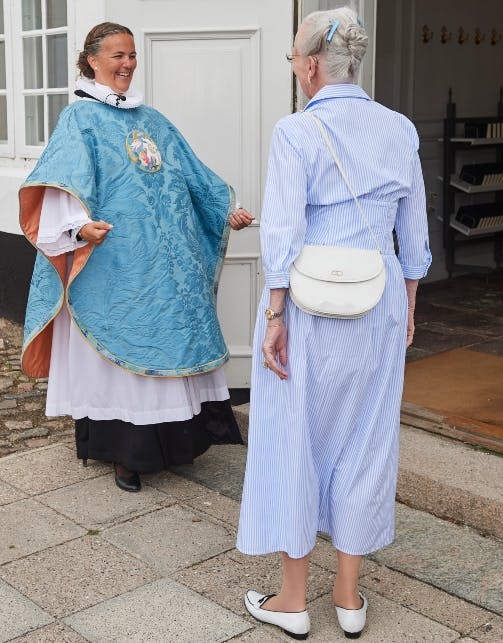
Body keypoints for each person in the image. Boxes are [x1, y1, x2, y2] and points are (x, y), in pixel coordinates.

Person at [237, 7, 431, 640]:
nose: (295, 70)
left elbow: (284, 233)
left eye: (295, 60)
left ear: (315, 65)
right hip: (378, 304)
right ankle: (348, 597)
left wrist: (273, 316)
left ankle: (294, 600)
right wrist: (408, 299)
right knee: (366, 442)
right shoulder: (399, 129)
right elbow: (414, 229)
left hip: (311, 310)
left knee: (299, 440)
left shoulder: (295, 133)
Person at [20, 22, 253, 493]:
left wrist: (224, 209)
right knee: (125, 353)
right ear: (91, 61)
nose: (127, 64)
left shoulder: (152, 119)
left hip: (165, 263)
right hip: (115, 264)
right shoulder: (79, 120)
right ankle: (126, 453)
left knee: (167, 339)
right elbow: (62, 181)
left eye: (131, 56)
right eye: (117, 56)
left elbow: (191, 172)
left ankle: (176, 443)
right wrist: (78, 227)